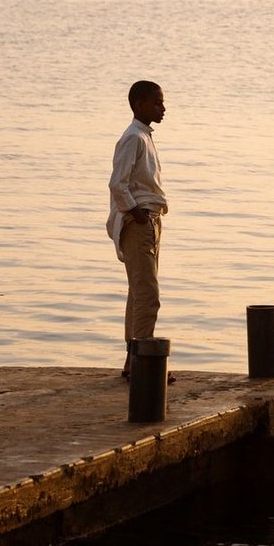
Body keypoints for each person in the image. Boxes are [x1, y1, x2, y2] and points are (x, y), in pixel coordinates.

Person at [107, 80, 169, 379]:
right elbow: (117, 184)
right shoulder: (133, 137)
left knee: (138, 292)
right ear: (139, 105)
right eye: (157, 103)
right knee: (147, 294)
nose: (163, 108)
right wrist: (138, 215)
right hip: (139, 222)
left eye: (162, 102)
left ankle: (134, 360)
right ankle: (140, 363)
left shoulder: (144, 136)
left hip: (150, 219)